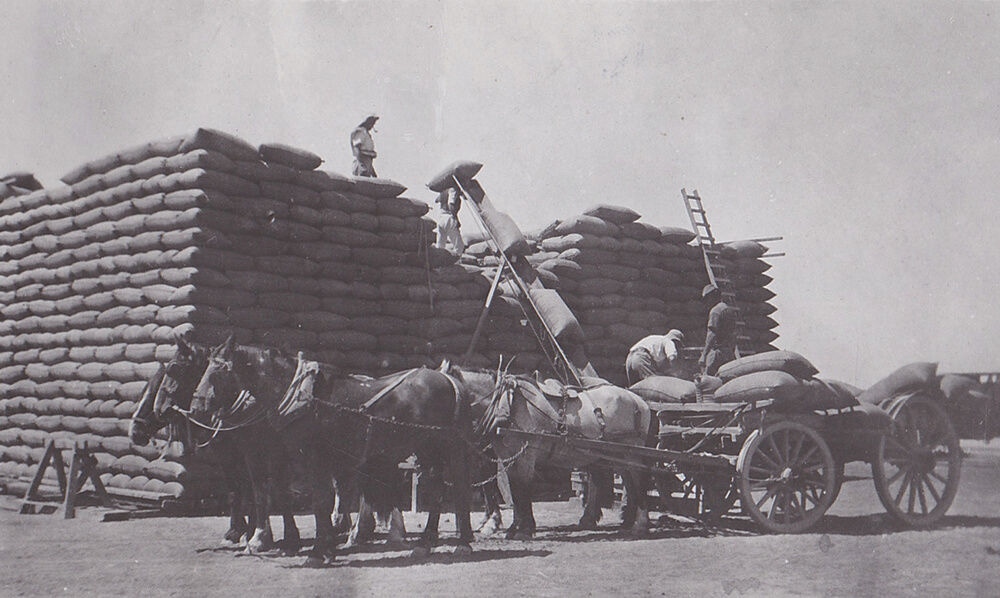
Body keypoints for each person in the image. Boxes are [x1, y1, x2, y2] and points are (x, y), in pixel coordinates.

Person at [698, 284, 739, 376]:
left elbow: (712, 334)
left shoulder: (715, 311)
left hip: (717, 353)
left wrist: (704, 355)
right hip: (728, 352)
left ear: (712, 296)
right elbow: (734, 333)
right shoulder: (728, 309)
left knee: (707, 380)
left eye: (707, 299)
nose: (707, 302)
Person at [434, 186, 465, 254]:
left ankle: (439, 263)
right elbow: (450, 204)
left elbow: (436, 200)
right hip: (449, 218)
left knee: (440, 245)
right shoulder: (453, 189)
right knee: (459, 246)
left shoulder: (443, 190)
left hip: (441, 217)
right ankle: (456, 262)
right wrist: (455, 218)